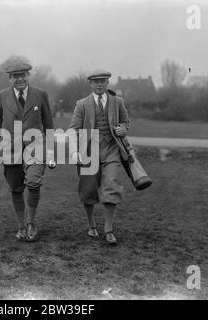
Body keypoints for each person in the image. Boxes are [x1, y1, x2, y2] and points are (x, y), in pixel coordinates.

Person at [0, 62, 54, 242]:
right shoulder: (1, 97)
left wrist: (49, 150)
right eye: (15, 76)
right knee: (16, 188)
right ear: (10, 78)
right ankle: (21, 225)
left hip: (35, 146)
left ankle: (31, 222)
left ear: (28, 76)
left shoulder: (40, 95)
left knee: (33, 182)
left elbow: (48, 124)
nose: (20, 79)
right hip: (10, 147)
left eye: (23, 75)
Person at [68, 70, 130, 245]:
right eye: (95, 81)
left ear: (108, 82)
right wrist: (74, 152)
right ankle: (91, 225)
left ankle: (109, 229)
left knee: (111, 185)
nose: (99, 84)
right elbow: (73, 129)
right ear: (90, 84)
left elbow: (126, 122)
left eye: (102, 81)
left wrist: (123, 129)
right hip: (88, 150)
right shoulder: (82, 104)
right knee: (88, 188)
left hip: (111, 149)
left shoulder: (117, 102)